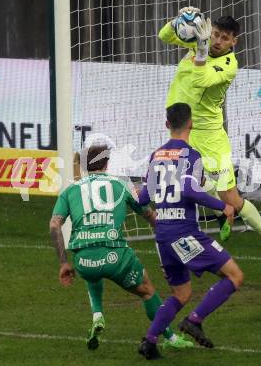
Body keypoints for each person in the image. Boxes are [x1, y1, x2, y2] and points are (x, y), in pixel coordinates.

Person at [158, 7, 261, 271]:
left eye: (224, 38)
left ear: (233, 42)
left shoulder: (229, 65)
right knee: (190, 183)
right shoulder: (199, 40)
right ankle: (220, 216)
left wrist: (201, 49)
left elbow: (202, 79)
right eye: (215, 34)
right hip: (183, 129)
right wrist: (179, 20)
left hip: (211, 136)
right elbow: (164, 36)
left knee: (232, 198)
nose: (217, 40)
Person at [49, 145, 193, 351]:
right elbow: (150, 216)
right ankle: (171, 338)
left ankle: (97, 316)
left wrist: (64, 263)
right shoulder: (121, 185)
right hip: (115, 257)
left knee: (93, 272)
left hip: (83, 260)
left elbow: (54, 224)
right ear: (107, 163)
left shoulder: (70, 190)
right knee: (147, 291)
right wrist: (168, 241)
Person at [137, 103, 244, 360]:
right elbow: (188, 190)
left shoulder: (156, 156)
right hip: (183, 234)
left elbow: (142, 198)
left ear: (167, 125)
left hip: (162, 235)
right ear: (191, 124)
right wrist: (224, 206)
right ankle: (195, 321)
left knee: (181, 293)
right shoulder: (191, 155)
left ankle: (150, 341)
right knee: (234, 276)